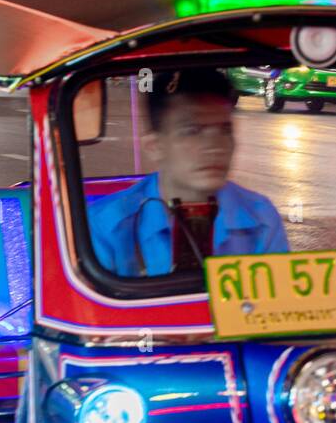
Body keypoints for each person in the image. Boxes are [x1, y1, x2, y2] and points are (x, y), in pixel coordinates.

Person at [87, 68, 288, 276]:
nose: (215, 146)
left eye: (224, 130)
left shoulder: (261, 218)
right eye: (192, 131)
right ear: (154, 146)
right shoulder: (105, 226)